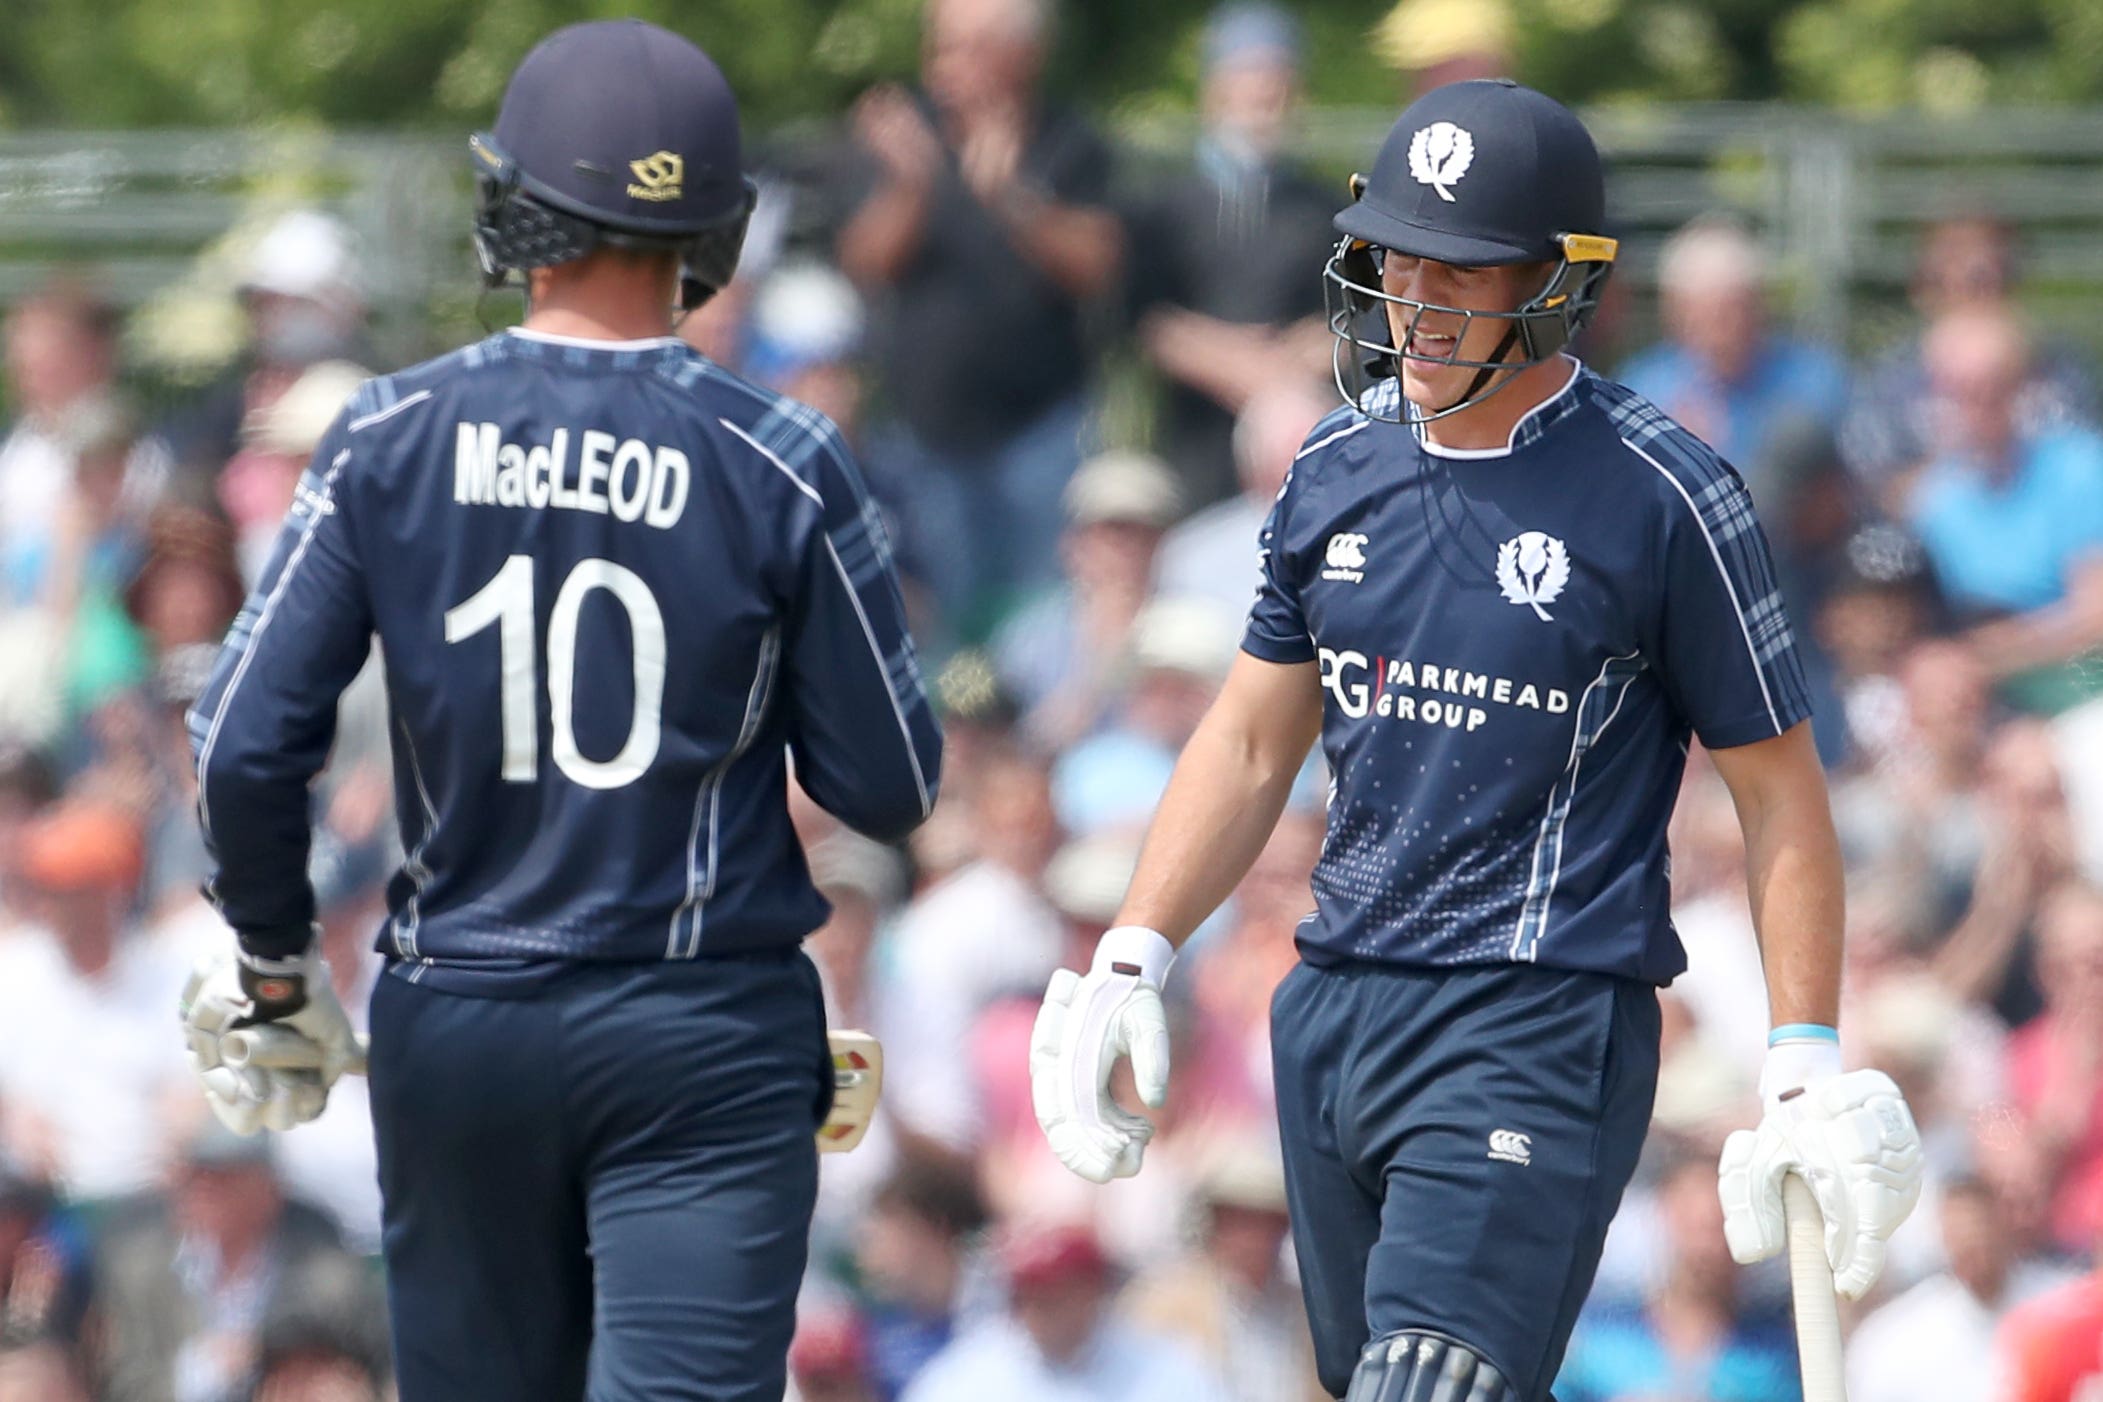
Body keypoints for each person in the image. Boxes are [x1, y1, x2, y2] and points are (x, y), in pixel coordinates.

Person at [1027, 79, 1925, 1400]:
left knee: (1430, 1380)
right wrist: (1130, 947)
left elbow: (1779, 792)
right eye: (1395, 259)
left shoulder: (1664, 491)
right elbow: (1246, 741)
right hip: (1332, 1003)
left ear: (1555, 283)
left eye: (1461, 270)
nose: (1415, 300)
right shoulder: (1330, 463)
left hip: (1537, 1010)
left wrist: (1798, 1058)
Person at [176, 21, 942, 1402]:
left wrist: (279, 964)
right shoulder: (781, 455)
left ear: (516, 205)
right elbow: (887, 781)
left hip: (460, 1009)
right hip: (703, 1022)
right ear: (709, 228)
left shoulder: (380, 431)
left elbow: (238, 739)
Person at [837, 0, 1124, 628]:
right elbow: (862, 261)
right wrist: (911, 188)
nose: (944, 66)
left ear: (1024, 54)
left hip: (1040, 431)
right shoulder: (903, 133)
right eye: (939, 46)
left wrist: (1013, 198)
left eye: (967, 47)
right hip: (922, 433)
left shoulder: (1069, 140)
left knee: (1040, 617)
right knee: (941, 623)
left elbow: (1100, 267)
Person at [1124, 4, 1336, 507]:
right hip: (1196, 443)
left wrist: (1293, 361)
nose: (1265, 92)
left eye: (1278, 77)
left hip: (1296, 438)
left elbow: (1356, 317)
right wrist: (1236, 364)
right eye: (1250, 74)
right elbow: (1143, 317)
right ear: (1215, 86)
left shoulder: (1324, 207)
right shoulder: (1166, 207)